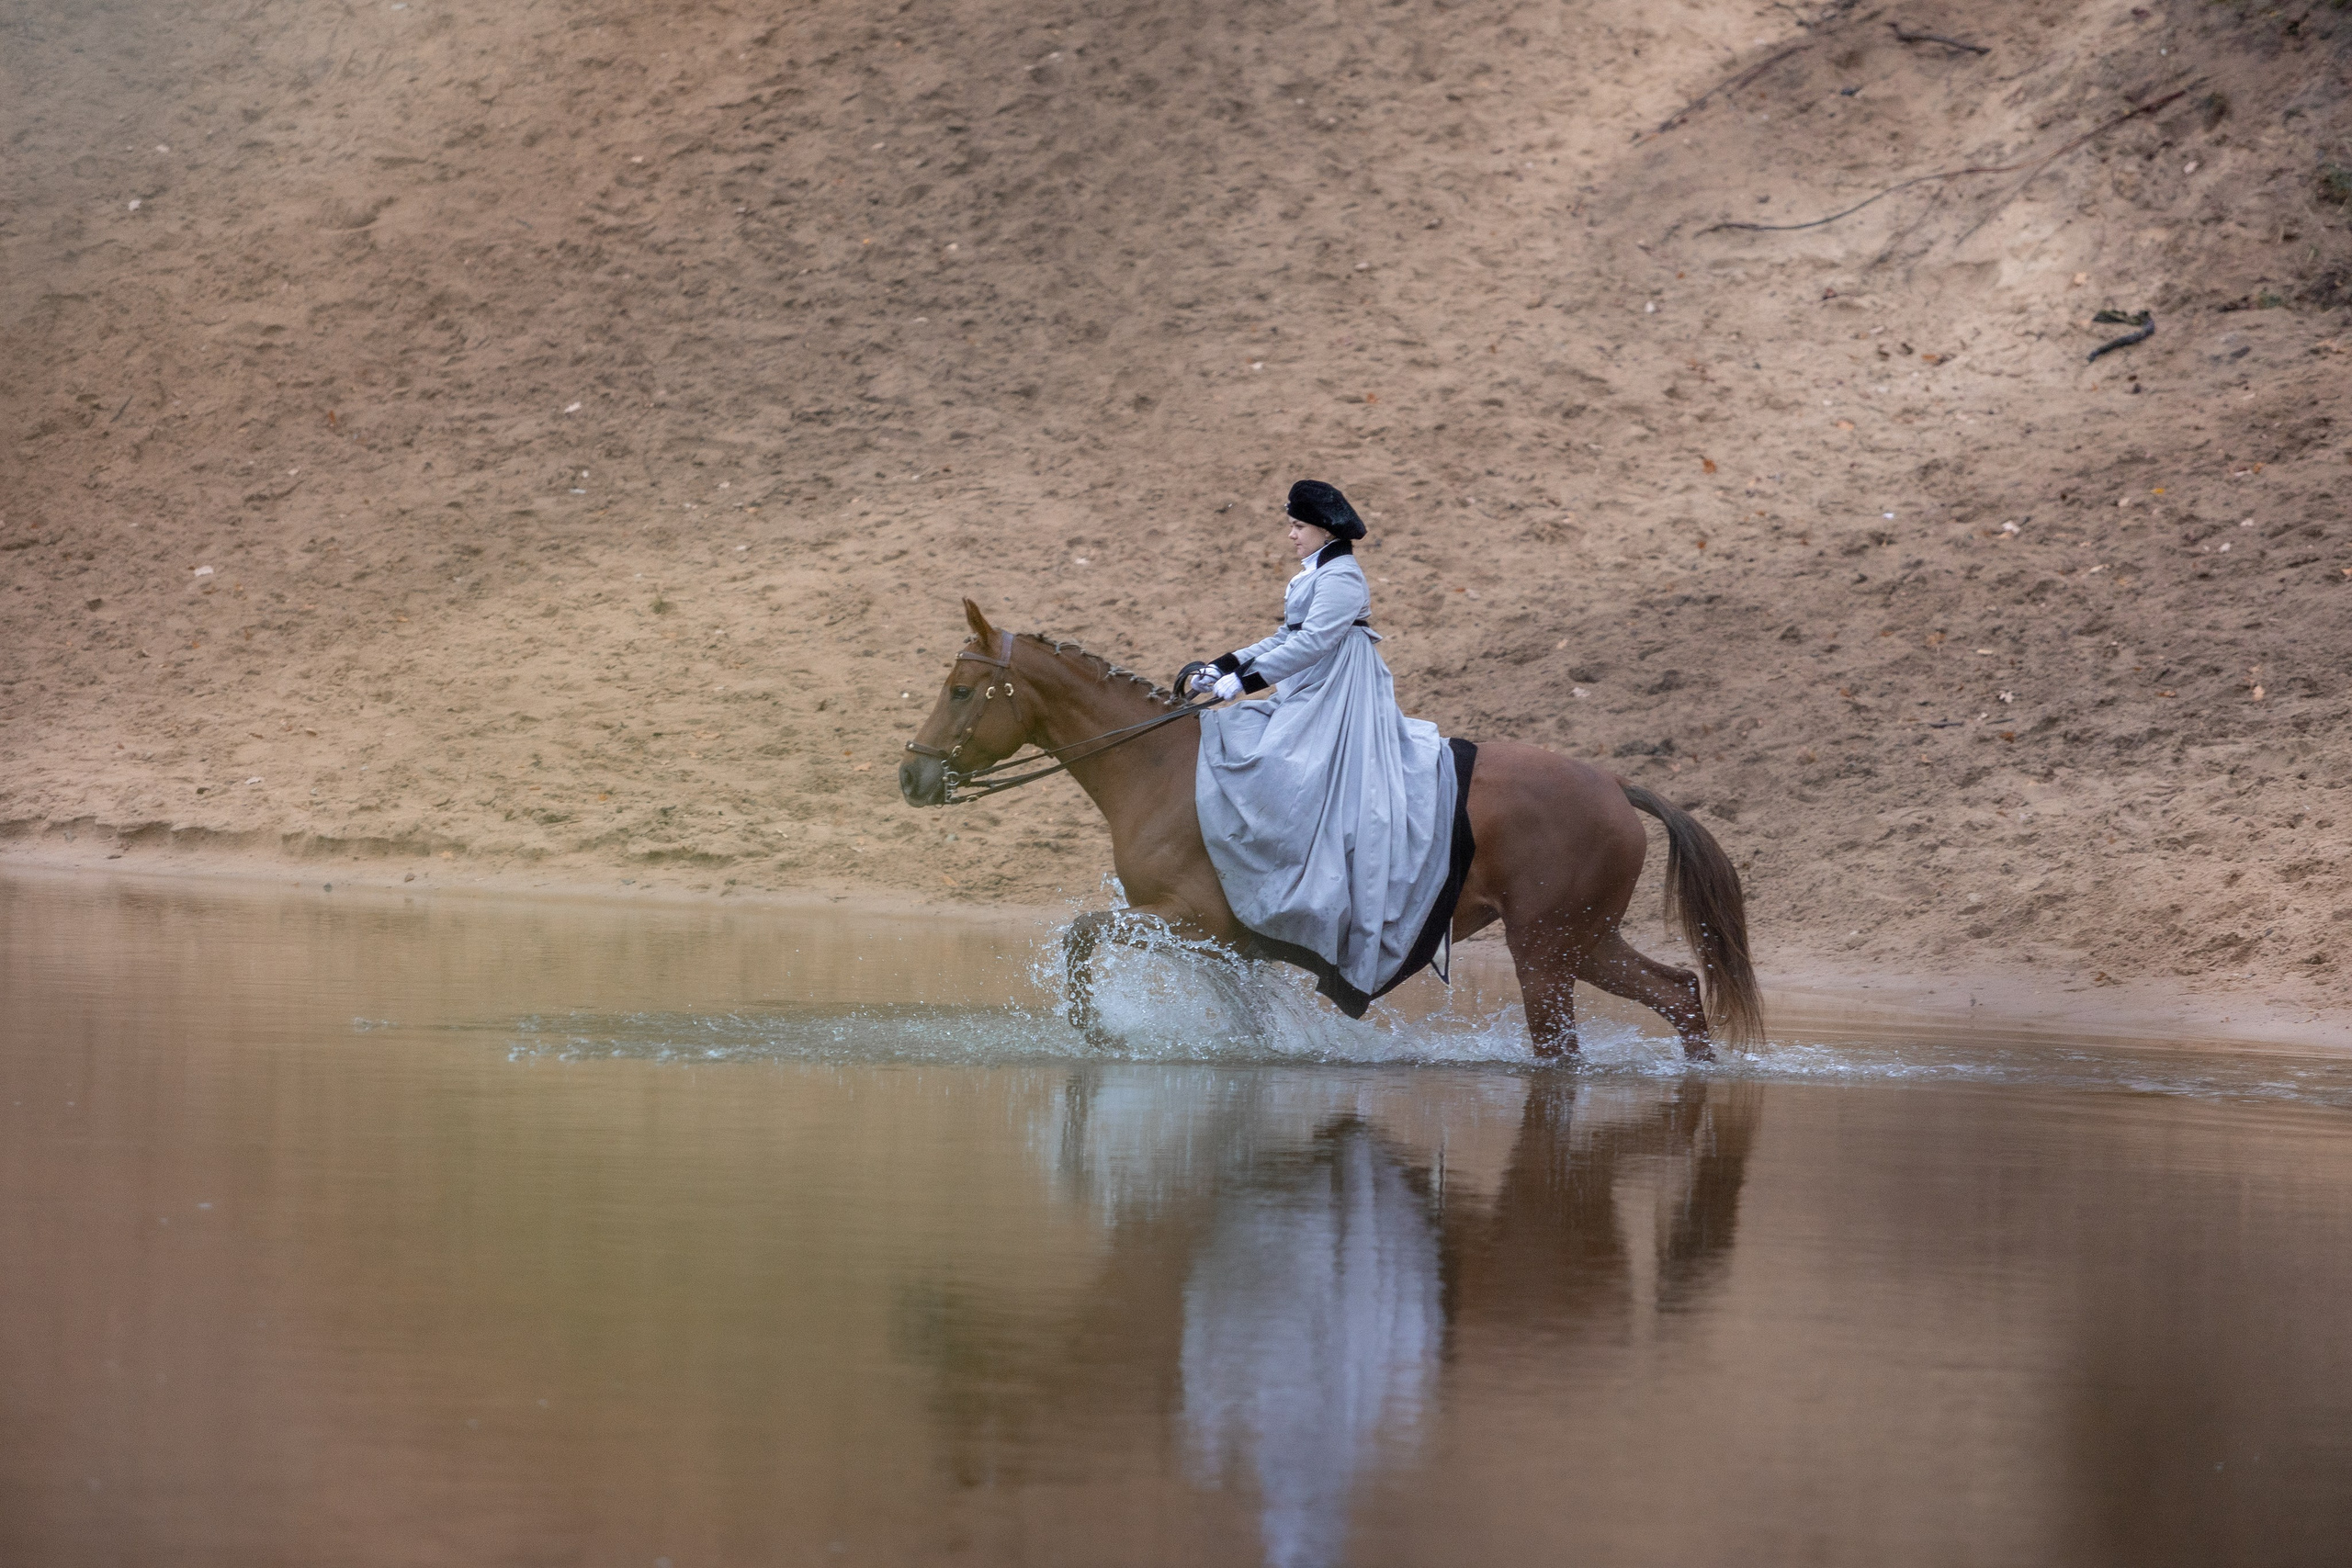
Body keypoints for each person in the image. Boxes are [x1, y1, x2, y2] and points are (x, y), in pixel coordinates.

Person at [1184, 480, 1469, 1015]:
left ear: (1325, 529)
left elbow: (1314, 642)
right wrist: (1225, 663)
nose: (1291, 535)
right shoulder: (1315, 572)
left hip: (1339, 690)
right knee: (1250, 735)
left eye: (1298, 526)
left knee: (1279, 761)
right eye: (1291, 525)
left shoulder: (1342, 576)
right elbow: (1285, 636)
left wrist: (1247, 684)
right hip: (1310, 682)